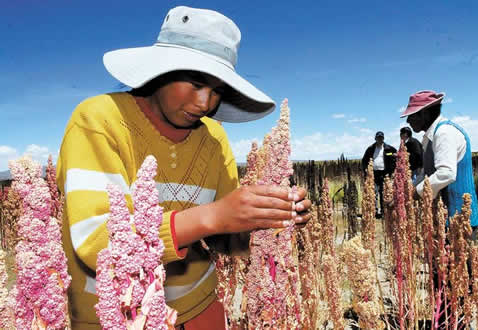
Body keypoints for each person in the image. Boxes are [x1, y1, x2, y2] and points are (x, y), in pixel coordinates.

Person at [56, 6, 311, 329]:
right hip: (115, 317)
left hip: (199, 309)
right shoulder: (99, 121)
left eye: (217, 90)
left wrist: (267, 221)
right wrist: (212, 215)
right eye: (194, 83)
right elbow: (98, 242)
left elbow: (224, 239)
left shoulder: (214, 139)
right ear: (160, 71)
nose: (205, 103)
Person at [401, 90, 478, 329]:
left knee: (454, 277)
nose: (409, 121)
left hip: (457, 217)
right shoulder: (431, 136)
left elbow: (446, 173)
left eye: (413, 115)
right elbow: (428, 174)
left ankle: (457, 323)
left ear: (426, 112)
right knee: (442, 276)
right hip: (444, 217)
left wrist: (413, 194)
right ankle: (447, 321)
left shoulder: (444, 133)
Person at [361, 131, 397, 217]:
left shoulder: (389, 149)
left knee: (384, 192)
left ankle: (384, 212)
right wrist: (366, 170)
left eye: (381, 138)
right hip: (374, 173)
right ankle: (374, 211)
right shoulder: (370, 149)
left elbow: (396, 156)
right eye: (378, 138)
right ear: (375, 138)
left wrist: (393, 170)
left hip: (385, 173)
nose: (380, 139)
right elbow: (364, 161)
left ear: (383, 138)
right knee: (374, 192)